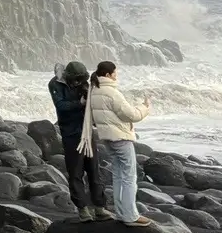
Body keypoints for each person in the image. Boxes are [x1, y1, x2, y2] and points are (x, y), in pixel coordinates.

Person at [82, 60, 149, 224]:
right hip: (121, 138)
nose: (116, 76)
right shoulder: (111, 92)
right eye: (115, 74)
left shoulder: (94, 90)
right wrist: (145, 107)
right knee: (129, 177)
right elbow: (131, 115)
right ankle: (130, 215)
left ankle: (120, 213)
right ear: (107, 74)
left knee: (118, 176)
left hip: (107, 139)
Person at [49, 60, 107, 219]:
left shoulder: (84, 83)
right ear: (68, 76)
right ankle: (82, 209)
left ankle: (100, 207)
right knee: (76, 172)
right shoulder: (55, 84)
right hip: (70, 133)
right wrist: (80, 103)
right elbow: (60, 106)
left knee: (94, 171)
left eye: (81, 80)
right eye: (76, 80)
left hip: (87, 131)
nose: (78, 83)